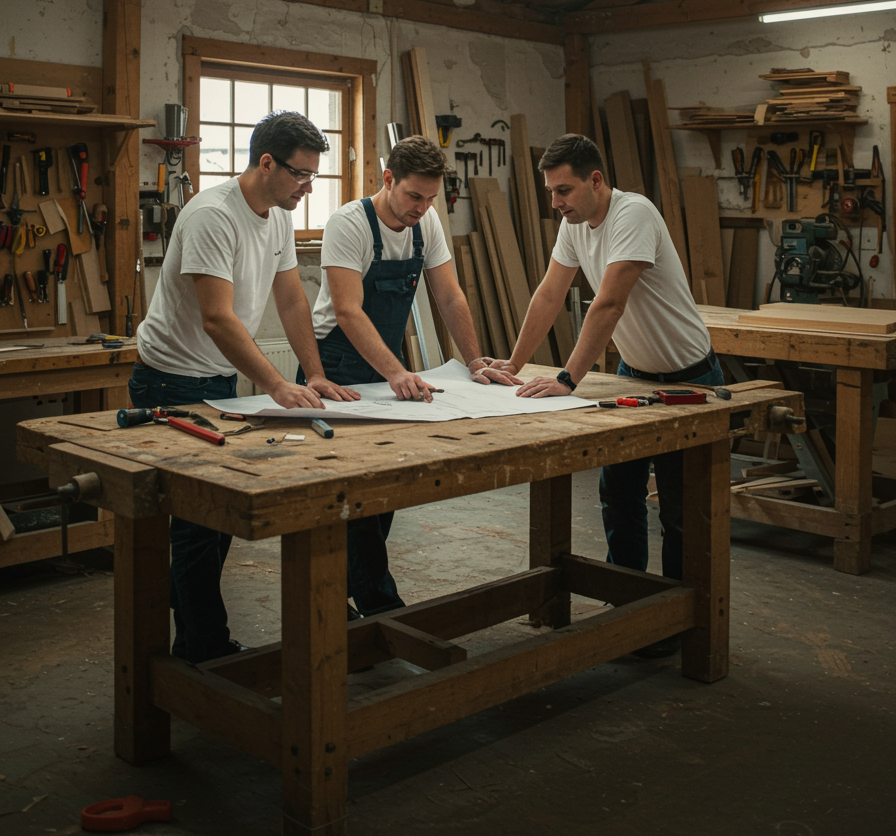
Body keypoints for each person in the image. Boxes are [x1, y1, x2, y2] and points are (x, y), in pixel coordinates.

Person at [129, 110, 358, 664]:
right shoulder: (212, 215)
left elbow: (291, 299)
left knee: (214, 519)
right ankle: (202, 651)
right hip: (169, 377)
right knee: (195, 525)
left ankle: (189, 634)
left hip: (218, 378)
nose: (308, 188)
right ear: (265, 162)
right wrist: (276, 383)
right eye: (301, 176)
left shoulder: (277, 215)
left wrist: (315, 372)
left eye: (313, 177)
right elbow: (218, 319)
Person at [491, 133, 724, 653]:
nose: (556, 203)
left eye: (565, 190)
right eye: (551, 192)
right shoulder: (575, 225)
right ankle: (631, 611)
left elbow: (609, 303)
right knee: (619, 498)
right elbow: (550, 292)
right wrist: (514, 363)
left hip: (691, 380)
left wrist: (567, 379)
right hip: (635, 379)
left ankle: (675, 622)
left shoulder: (632, 214)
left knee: (681, 513)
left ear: (597, 180)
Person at [304, 134, 518, 616]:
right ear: (388, 180)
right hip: (335, 364)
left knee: (382, 487)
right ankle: (378, 608)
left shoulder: (427, 222)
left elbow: (449, 296)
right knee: (347, 489)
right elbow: (347, 311)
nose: (421, 208)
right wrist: (399, 371)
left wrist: (475, 361)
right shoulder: (349, 223)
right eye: (413, 196)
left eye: (430, 199)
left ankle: (343, 598)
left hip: (383, 364)